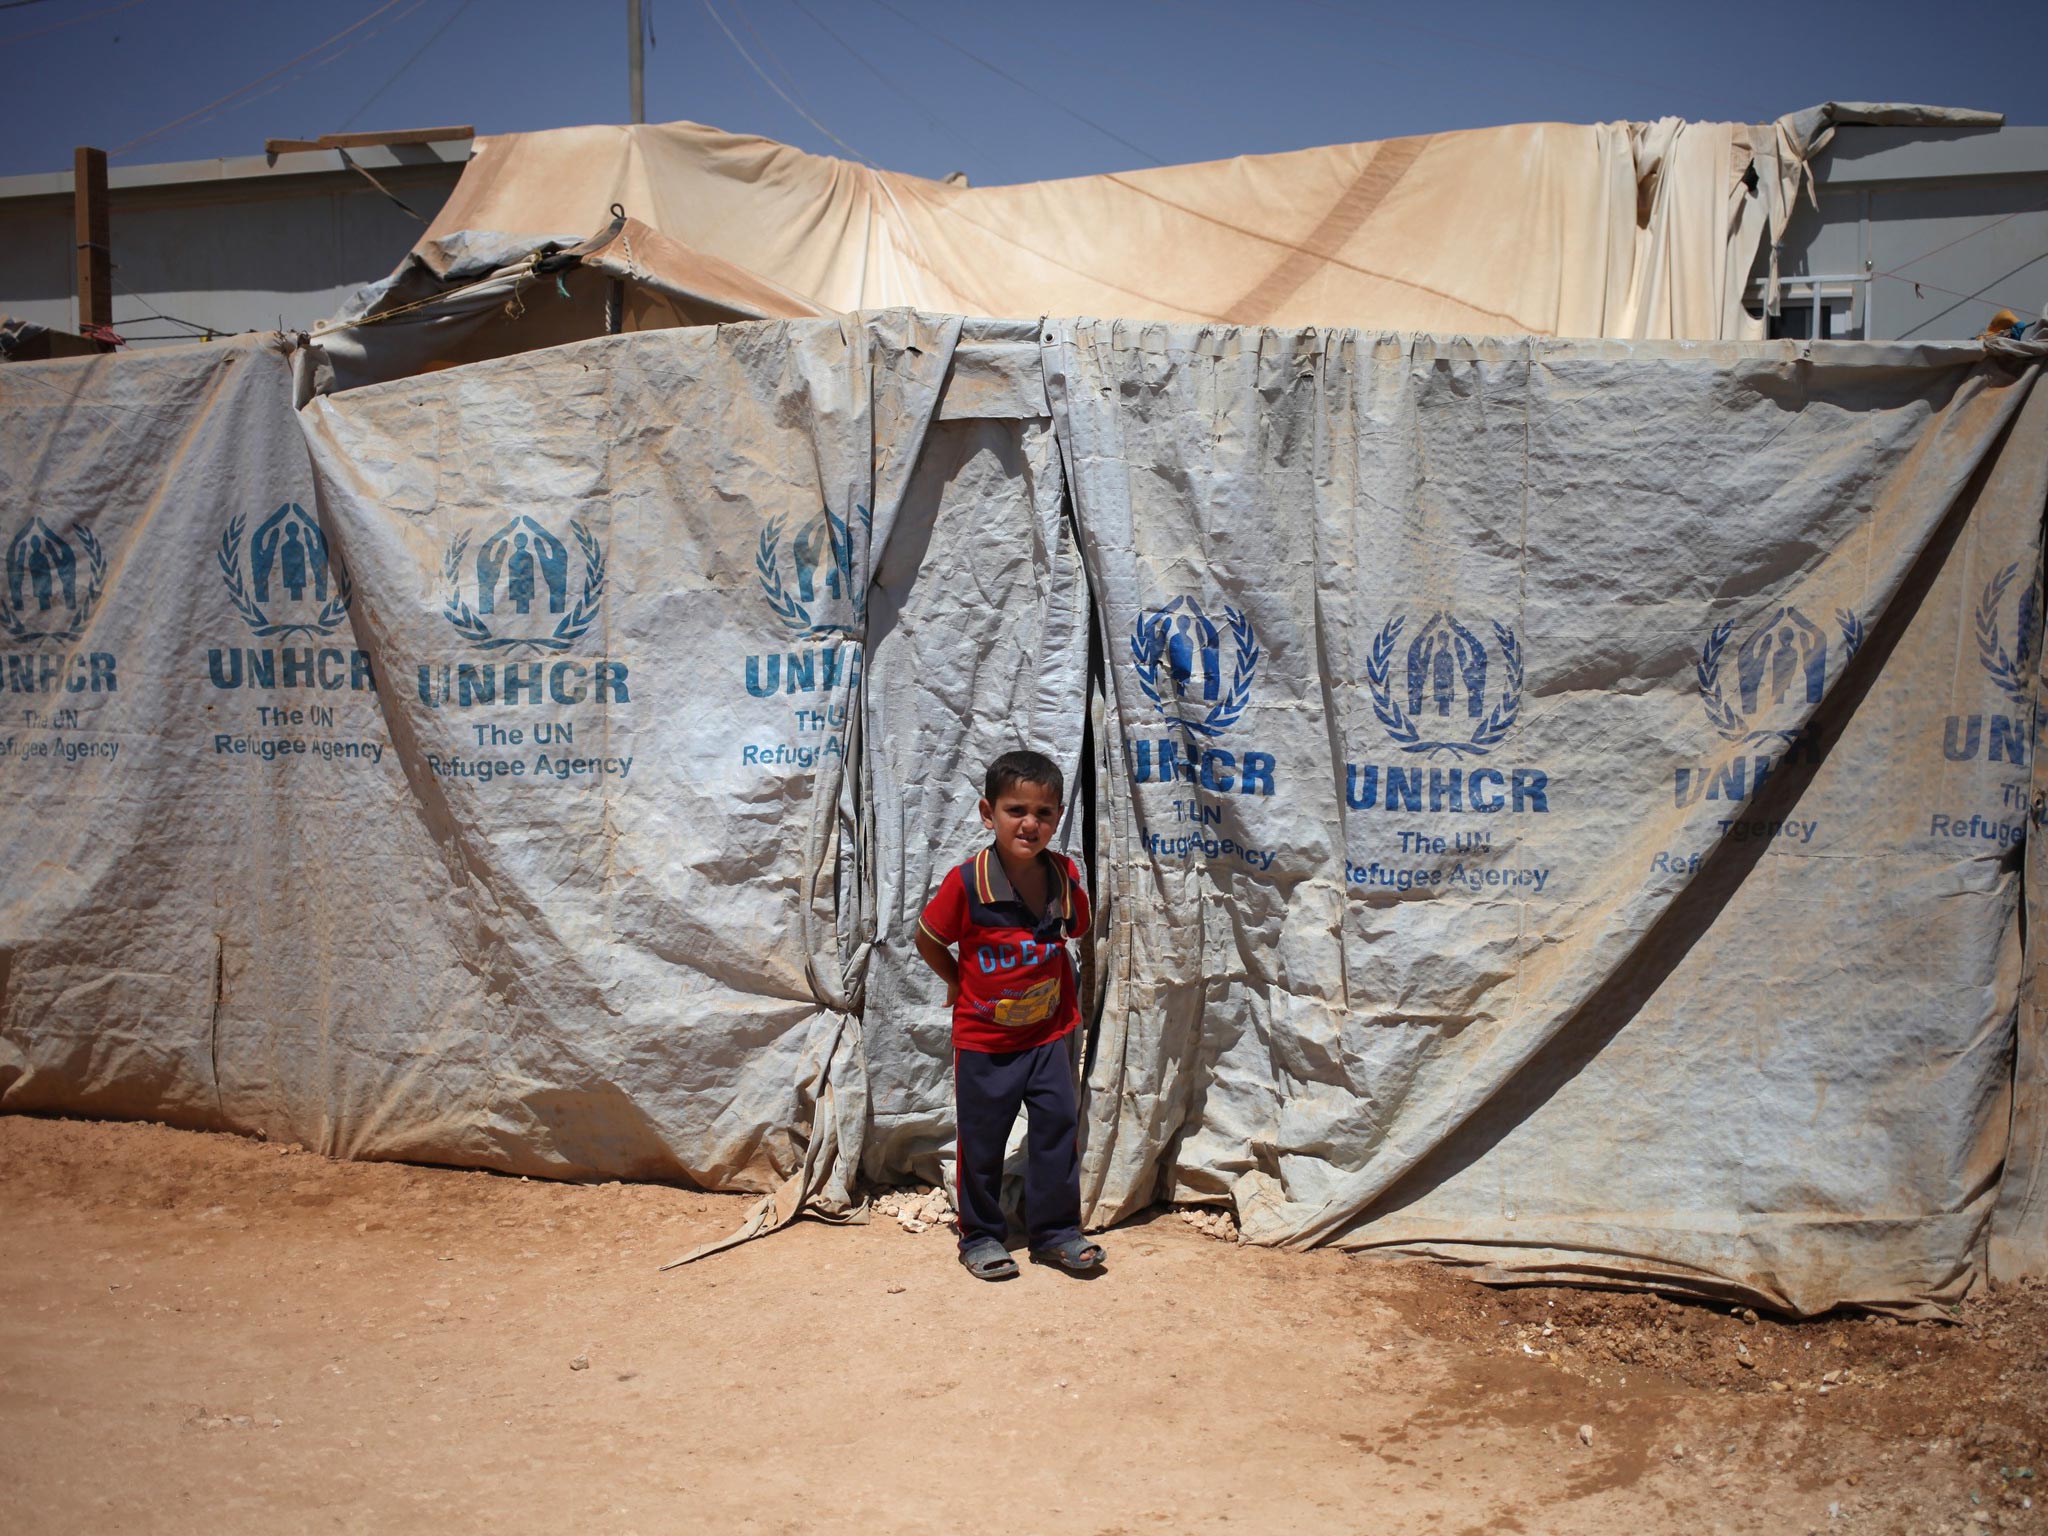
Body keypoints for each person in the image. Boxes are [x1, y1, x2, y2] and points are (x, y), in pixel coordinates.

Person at [914, 749, 1105, 1281]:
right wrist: (958, 983)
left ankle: (1055, 1234)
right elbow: (927, 940)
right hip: (985, 1042)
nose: (1030, 823)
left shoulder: (1063, 875)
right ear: (987, 812)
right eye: (1015, 809)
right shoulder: (968, 881)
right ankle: (980, 1235)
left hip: (1051, 1034)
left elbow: (1077, 928)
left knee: (1054, 1133)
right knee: (982, 1143)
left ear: (1059, 816)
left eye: (1043, 813)